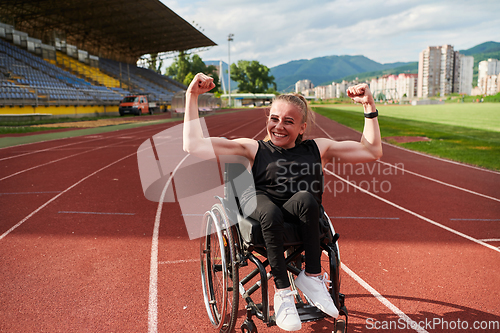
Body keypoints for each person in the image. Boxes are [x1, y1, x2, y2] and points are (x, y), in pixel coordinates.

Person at [184, 73, 382, 331]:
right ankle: (283, 294)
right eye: (274, 119)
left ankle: (311, 277)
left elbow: (371, 151)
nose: (279, 126)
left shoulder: (317, 148)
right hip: (261, 209)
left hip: (298, 215)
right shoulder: (253, 149)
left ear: (302, 127)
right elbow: (192, 145)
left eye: (288, 121)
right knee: (269, 211)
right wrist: (192, 96)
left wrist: (369, 106)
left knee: (308, 200)